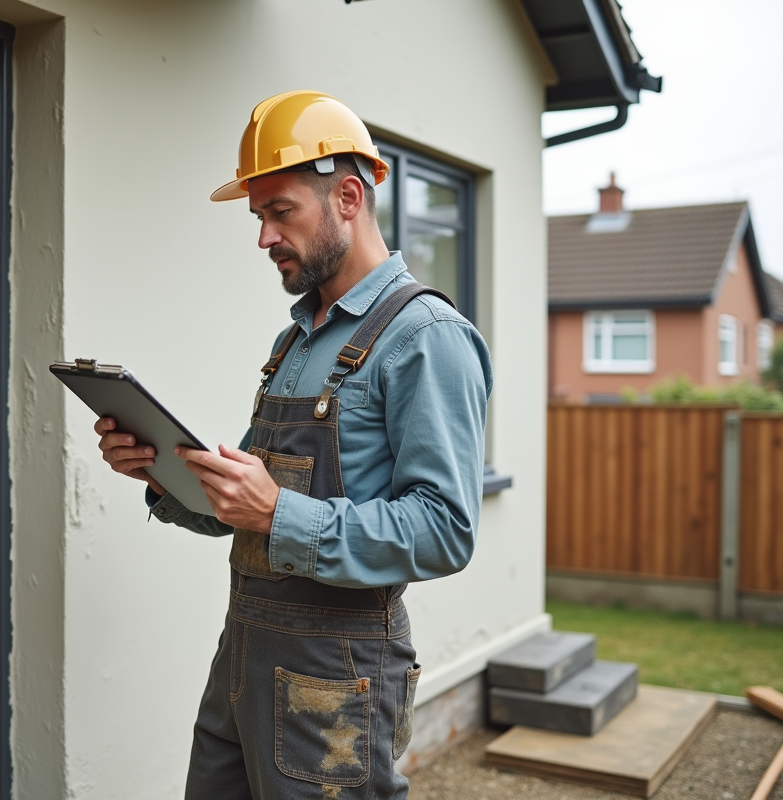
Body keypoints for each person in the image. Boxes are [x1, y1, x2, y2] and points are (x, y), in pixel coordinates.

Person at [93, 90, 492, 799]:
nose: (264, 237)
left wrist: (280, 514)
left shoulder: (425, 339)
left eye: (280, 213)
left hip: (333, 674)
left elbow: (444, 530)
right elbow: (243, 508)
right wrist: (161, 473)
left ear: (346, 196)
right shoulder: (297, 340)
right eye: (258, 217)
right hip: (243, 656)